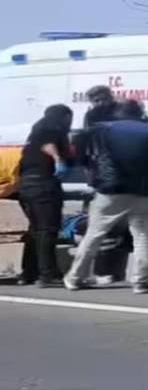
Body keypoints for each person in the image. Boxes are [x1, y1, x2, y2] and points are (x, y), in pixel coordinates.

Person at [64, 100, 148, 293]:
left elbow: (78, 143)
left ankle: (75, 278)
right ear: (140, 113)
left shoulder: (103, 129)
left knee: (95, 234)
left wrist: (87, 165)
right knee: (143, 235)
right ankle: (140, 281)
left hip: (113, 190)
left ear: (117, 114)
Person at [17, 105, 73, 287]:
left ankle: (28, 273)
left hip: (26, 185)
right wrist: (58, 159)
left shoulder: (35, 131)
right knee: (47, 230)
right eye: (68, 119)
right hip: (43, 184)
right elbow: (48, 144)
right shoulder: (51, 128)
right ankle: (47, 275)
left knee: (36, 230)